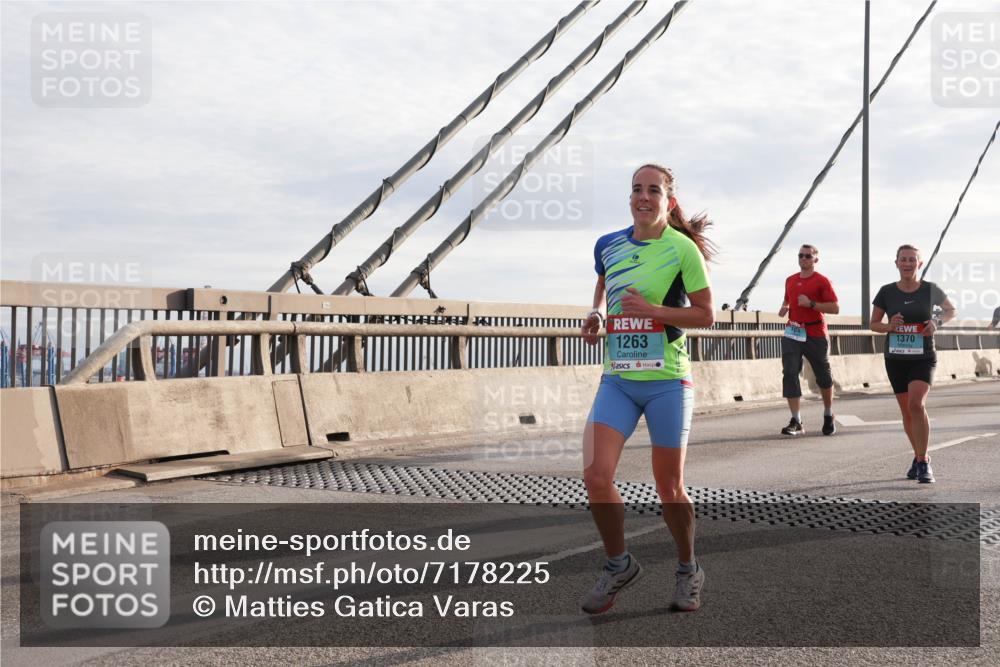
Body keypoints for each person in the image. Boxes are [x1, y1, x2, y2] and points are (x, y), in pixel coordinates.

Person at [579, 164, 715, 614]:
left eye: (653, 190)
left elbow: (705, 314)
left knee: (669, 487)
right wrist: (597, 314)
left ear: (668, 201)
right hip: (618, 378)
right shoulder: (608, 244)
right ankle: (618, 564)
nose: (643, 196)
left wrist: (653, 311)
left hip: (667, 382)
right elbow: (604, 283)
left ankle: (688, 568)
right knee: (596, 476)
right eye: (637, 188)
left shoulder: (682, 249)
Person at [870, 244, 956, 483]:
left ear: (919, 264)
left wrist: (936, 322)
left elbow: (950, 310)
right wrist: (889, 326)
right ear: (896, 263)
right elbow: (873, 324)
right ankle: (918, 454)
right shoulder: (886, 291)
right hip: (896, 358)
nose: (907, 263)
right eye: (903, 259)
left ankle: (923, 461)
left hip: (923, 357)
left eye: (912, 259)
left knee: (917, 404)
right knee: (907, 411)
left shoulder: (930, 289)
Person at [777, 244, 840, 436]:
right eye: (800, 255)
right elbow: (788, 299)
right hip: (793, 330)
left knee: (823, 375)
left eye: (807, 256)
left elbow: (835, 308)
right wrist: (784, 307)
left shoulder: (822, 281)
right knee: (789, 372)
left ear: (815, 260)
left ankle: (828, 414)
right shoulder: (790, 280)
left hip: (815, 332)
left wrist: (811, 304)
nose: (803, 259)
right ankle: (796, 420)